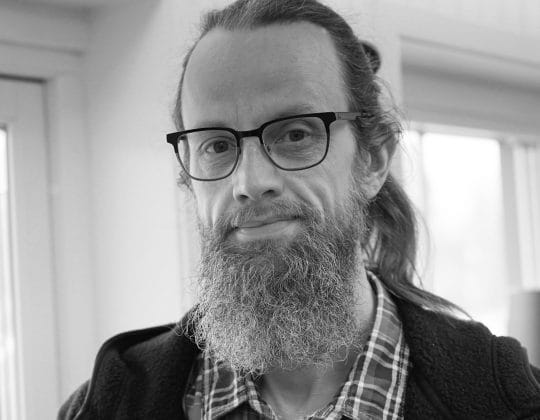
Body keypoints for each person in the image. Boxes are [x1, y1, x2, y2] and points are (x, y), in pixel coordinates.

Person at [59, 0, 540, 418]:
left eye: (295, 134)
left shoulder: (508, 401)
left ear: (373, 160)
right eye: (217, 145)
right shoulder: (108, 403)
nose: (250, 183)